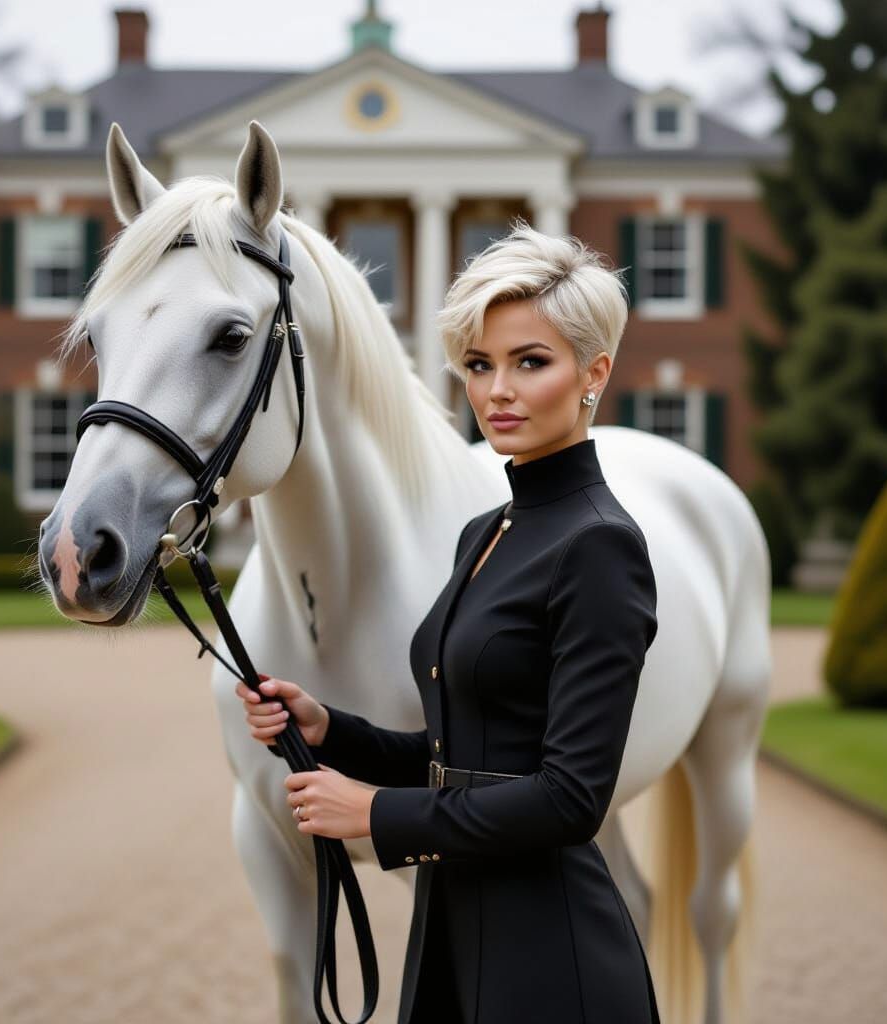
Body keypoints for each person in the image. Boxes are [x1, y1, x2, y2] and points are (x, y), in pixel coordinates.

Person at [235, 222, 661, 1024]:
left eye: (530, 362)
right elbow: (462, 757)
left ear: (592, 374)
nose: (497, 389)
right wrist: (332, 730)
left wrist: (372, 814)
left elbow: (571, 799)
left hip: (549, 963)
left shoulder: (600, 545)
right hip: (448, 941)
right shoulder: (487, 532)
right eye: (478, 365)